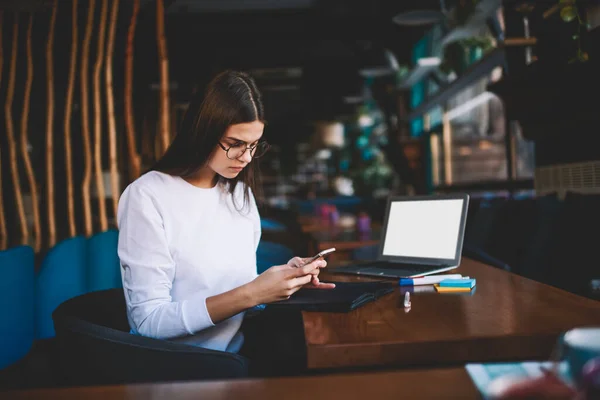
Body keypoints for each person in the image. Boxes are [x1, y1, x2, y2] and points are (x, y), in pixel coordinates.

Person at [116, 70, 334, 358]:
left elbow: (237, 299)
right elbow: (148, 322)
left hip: (237, 358)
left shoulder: (238, 194)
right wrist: (253, 293)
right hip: (175, 368)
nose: (245, 158)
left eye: (254, 146)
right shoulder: (148, 196)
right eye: (235, 144)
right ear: (202, 131)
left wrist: (280, 282)